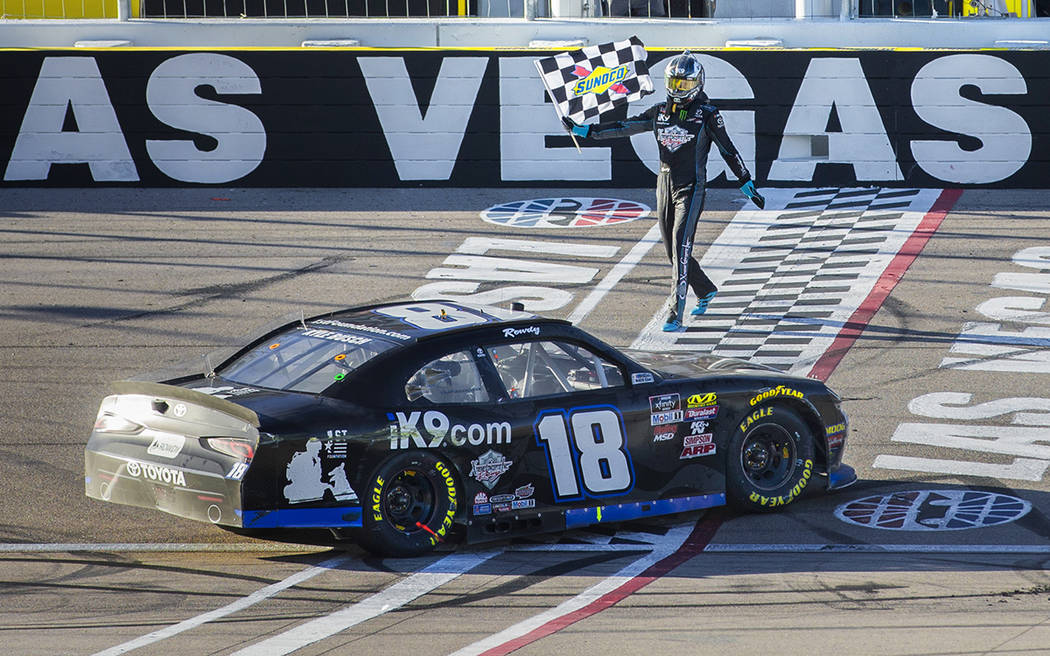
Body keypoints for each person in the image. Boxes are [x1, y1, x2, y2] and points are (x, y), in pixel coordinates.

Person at [563, 51, 764, 332]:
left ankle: (674, 313)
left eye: (684, 84)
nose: (678, 89)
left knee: (681, 245)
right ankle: (705, 290)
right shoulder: (658, 112)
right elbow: (625, 127)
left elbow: (728, 150)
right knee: (672, 251)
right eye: (675, 83)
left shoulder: (708, 115)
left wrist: (745, 180)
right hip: (664, 185)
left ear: (697, 83)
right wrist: (587, 131)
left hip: (691, 187)